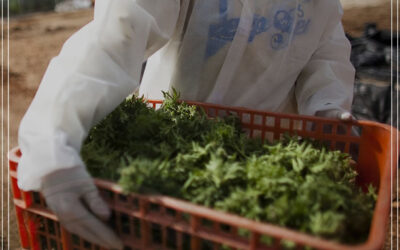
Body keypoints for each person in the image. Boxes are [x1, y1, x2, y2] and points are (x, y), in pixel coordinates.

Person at [17, 0, 355, 248]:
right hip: (163, 138)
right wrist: (53, 134)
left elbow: (326, 54)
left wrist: (327, 106)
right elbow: (119, 33)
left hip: (259, 150)